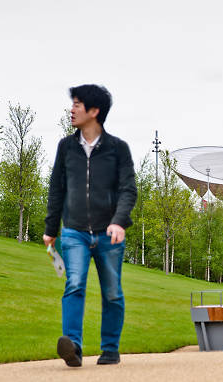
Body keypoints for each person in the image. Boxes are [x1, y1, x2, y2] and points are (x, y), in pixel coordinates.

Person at [43, 84, 137, 367]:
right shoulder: (66, 146)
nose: (72, 109)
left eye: (78, 104)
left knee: (112, 292)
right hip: (74, 232)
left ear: (94, 111)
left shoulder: (117, 148)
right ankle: (73, 346)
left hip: (109, 235)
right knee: (74, 285)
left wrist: (119, 222)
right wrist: (51, 228)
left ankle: (110, 348)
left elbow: (128, 190)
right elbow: (56, 188)